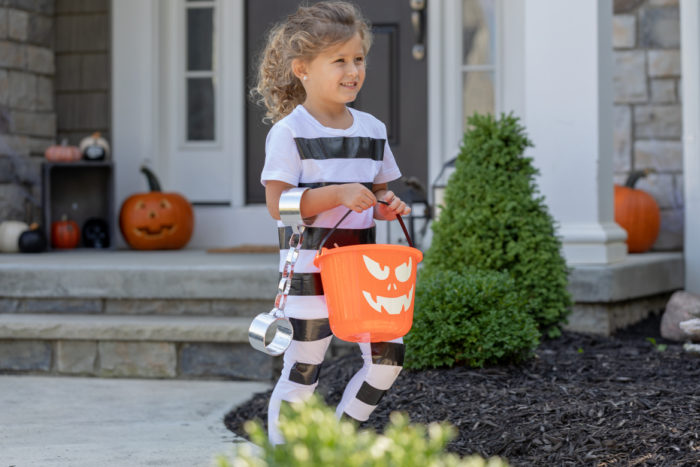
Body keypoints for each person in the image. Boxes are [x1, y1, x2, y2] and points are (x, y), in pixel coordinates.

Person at [252, 1, 411, 444]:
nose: (352, 70)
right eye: (338, 60)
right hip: (309, 272)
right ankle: (284, 452)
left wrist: (386, 205)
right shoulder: (289, 132)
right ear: (302, 69)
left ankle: (342, 438)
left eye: (358, 59)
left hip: (364, 273)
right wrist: (337, 194)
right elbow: (277, 203)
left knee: (387, 359)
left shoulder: (373, 130)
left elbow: (377, 195)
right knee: (304, 368)